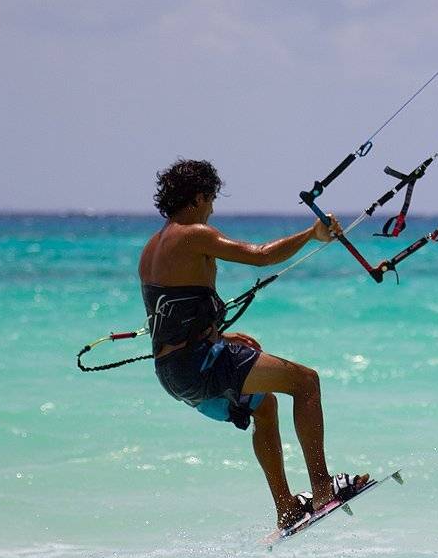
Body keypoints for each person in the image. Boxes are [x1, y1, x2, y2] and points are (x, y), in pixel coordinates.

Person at [138, 158, 368, 532]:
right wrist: (312, 235)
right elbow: (260, 256)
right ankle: (323, 488)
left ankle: (287, 508)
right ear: (198, 197)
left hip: (173, 372)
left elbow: (169, 318)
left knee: (264, 404)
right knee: (306, 382)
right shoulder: (193, 234)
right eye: (211, 199)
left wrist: (220, 337)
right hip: (199, 363)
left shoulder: (151, 247)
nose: (212, 209)